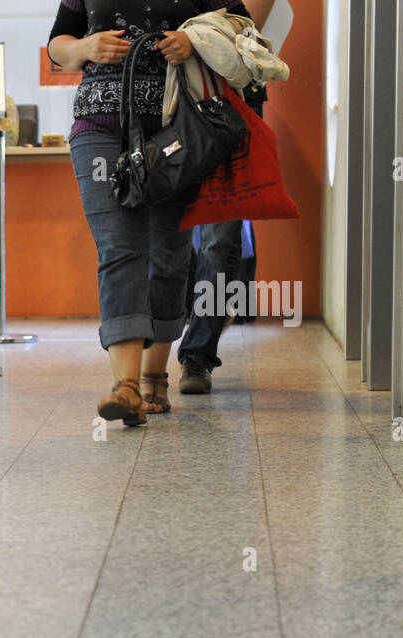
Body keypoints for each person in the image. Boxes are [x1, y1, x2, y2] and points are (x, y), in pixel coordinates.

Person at [48, 0, 256, 426]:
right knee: (119, 249)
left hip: (177, 131)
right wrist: (86, 48)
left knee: (168, 253)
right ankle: (125, 386)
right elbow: (57, 44)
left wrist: (195, 41)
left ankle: (154, 374)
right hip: (98, 128)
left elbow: (243, 30)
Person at [176, 0, 276, 395]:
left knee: (220, 238)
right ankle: (147, 357)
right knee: (164, 234)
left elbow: (244, 22)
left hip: (231, 106)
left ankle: (197, 356)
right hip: (167, 100)